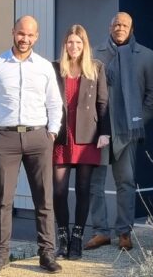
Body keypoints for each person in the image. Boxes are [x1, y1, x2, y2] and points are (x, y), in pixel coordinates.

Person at [0, 15, 63, 274]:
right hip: (5, 139)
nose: (25, 39)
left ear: (37, 37)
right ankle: (1, 256)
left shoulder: (45, 67)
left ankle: (47, 254)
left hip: (39, 138)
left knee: (44, 199)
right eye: (21, 33)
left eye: (30, 35)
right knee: (3, 200)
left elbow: (55, 103)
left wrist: (52, 132)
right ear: (13, 32)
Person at [85, 12, 153, 251]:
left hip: (128, 132)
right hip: (98, 131)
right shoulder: (95, 55)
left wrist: (138, 121)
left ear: (131, 28)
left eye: (124, 24)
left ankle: (124, 232)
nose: (120, 27)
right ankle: (100, 231)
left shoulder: (146, 56)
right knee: (95, 183)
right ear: (110, 27)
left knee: (125, 182)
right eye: (116, 24)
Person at [50, 25, 109, 260]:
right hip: (62, 136)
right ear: (65, 44)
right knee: (59, 191)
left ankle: (77, 238)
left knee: (84, 189)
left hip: (88, 135)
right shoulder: (54, 68)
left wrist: (105, 133)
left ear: (85, 45)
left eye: (78, 42)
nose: (74, 47)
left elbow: (103, 103)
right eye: (70, 42)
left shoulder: (96, 68)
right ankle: (62, 238)